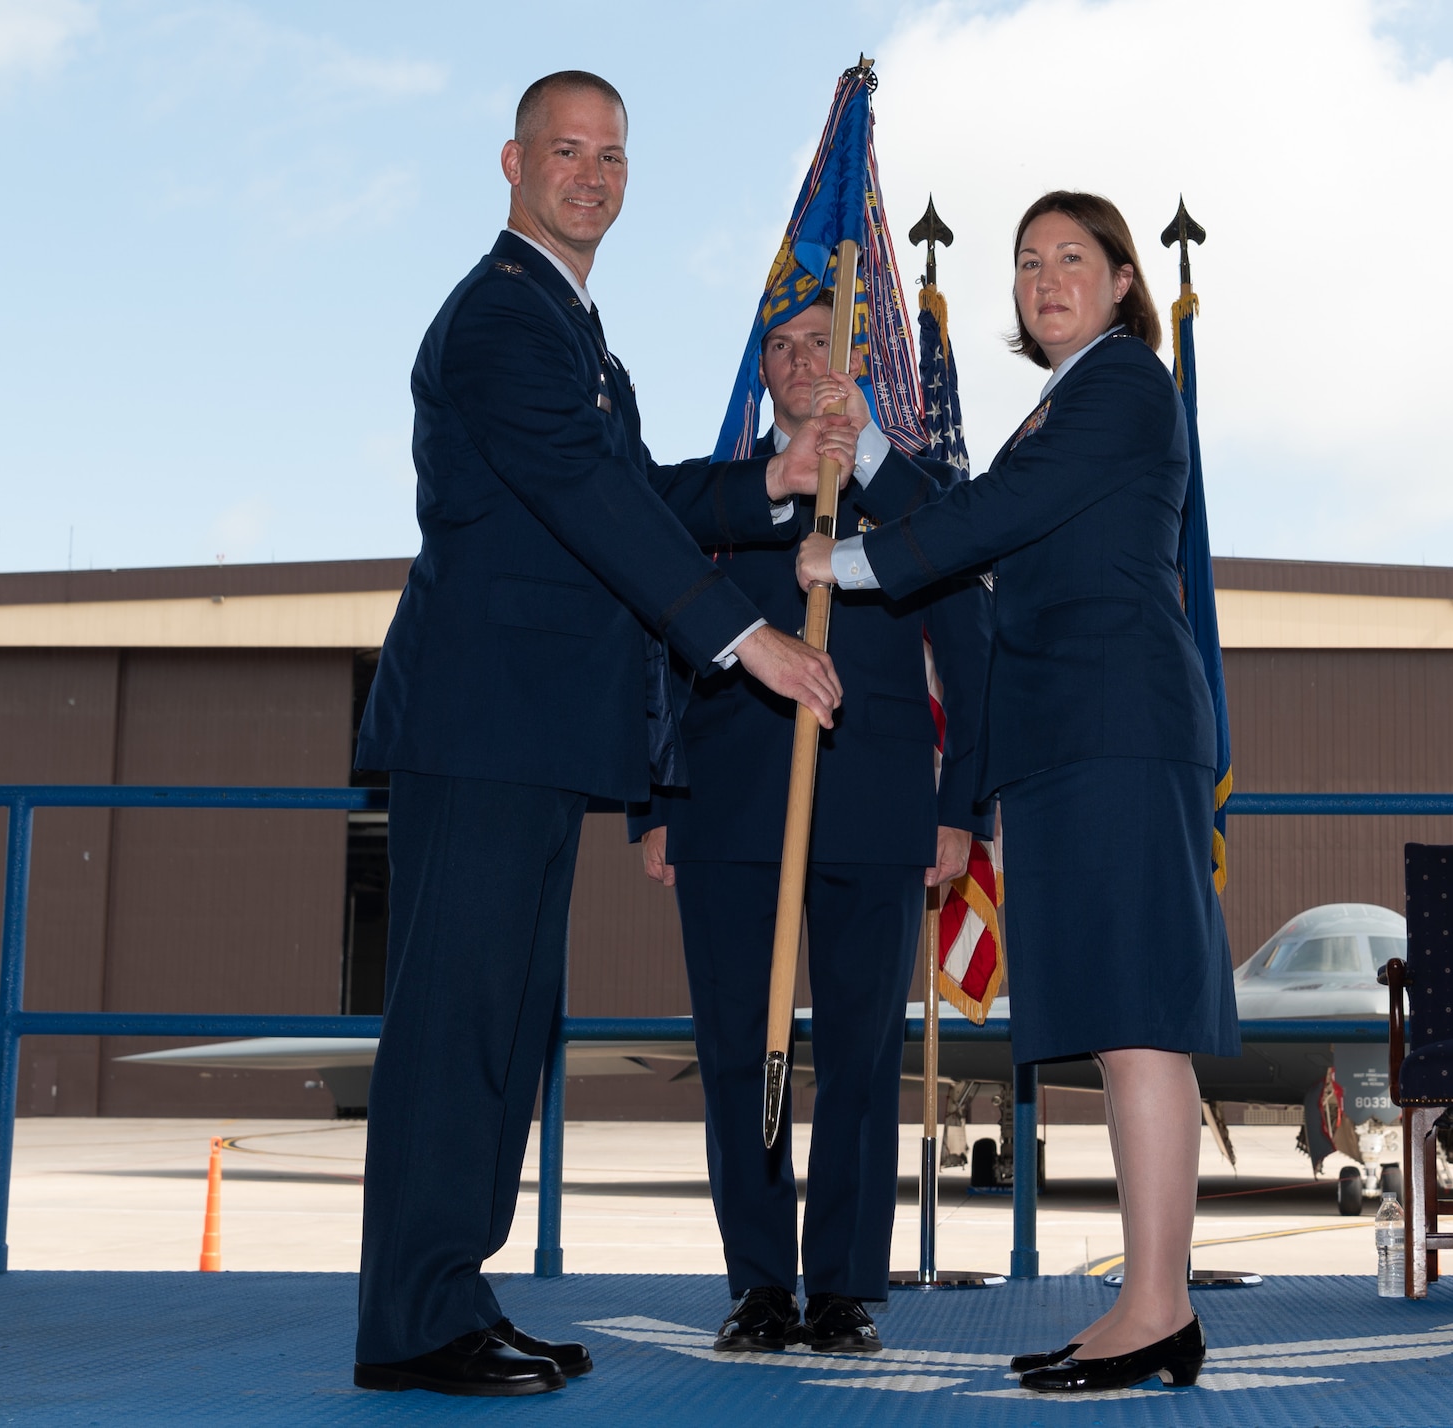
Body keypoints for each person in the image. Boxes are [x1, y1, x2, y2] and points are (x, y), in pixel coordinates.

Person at [350, 70, 859, 1399]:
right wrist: (744, 639)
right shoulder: (505, 319)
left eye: (612, 156)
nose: (591, 176)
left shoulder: (570, 328)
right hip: (479, 727)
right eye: (566, 151)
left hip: (529, 735)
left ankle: (448, 1295)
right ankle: (413, 1320)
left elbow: (635, 489)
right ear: (511, 163)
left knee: (508, 1026)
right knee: (458, 1023)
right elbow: (589, 497)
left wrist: (771, 479)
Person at [797, 191, 1239, 1395]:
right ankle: (1149, 1306)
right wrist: (877, 455)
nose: (1044, 278)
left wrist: (842, 560)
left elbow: (991, 522)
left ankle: (1156, 1307)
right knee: (1114, 1018)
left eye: (1071, 259)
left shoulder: (1124, 386)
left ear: (1118, 282)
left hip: (1116, 734)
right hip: (1069, 745)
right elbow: (971, 510)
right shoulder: (1062, 404)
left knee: (1136, 1014)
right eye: (1026, 261)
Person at [630, 292, 992, 1356]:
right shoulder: (709, 497)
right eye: (778, 347)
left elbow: (971, 658)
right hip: (728, 806)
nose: (796, 361)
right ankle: (758, 1284)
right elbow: (653, 640)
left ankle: (838, 1285)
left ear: (857, 364)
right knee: (738, 1051)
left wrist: (959, 809)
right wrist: (655, 804)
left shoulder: (910, 499)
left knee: (862, 1057)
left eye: (818, 344)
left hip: (879, 810)